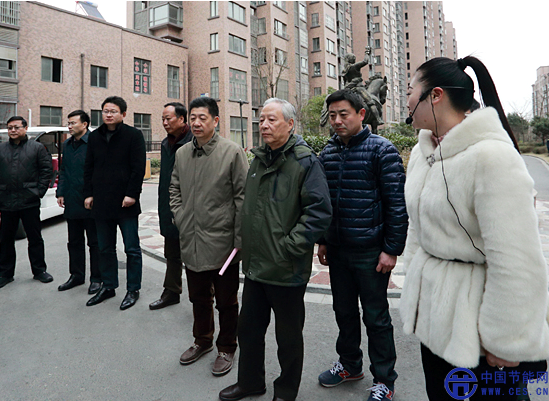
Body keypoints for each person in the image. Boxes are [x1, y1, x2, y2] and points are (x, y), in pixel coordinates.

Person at [401, 56, 549, 400]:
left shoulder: (492, 157)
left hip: (481, 331)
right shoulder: (423, 153)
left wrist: (505, 339)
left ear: (435, 95)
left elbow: (516, 258)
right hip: (435, 323)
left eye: (410, 90)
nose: (406, 99)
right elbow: (418, 229)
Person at [219, 98, 332, 401]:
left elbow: (319, 211)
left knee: (288, 338)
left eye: (272, 120)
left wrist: (289, 247)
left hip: (286, 268)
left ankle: (285, 391)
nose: (264, 125)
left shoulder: (305, 162)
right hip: (256, 266)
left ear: (290, 124)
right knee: (249, 331)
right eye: (262, 120)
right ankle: (250, 382)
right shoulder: (259, 159)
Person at [316, 89, 408, 401]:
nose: (337, 121)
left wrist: (391, 249)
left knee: (376, 317)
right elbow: (323, 202)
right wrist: (323, 240)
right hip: (338, 250)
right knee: (343, 312)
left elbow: (397, 204)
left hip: (371, 251)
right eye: (332, 115)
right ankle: (350, 364)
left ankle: (384, 379)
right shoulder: (328, 153)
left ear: (361, 114)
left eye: (344, 114)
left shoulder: (382, 150)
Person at [170, 96, 248, 376]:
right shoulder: (182, 153)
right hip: (191, 239)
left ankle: (227, 347)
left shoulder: (232, 152)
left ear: (215, 120)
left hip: (223, 242)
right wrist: (180, 216)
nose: (196, 122)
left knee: (227, 300)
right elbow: (174, 189)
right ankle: (202, 340)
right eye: (192, 118)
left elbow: (243, 198)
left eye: (202, 118)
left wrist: (239, 240)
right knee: (198, 297)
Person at [83, 96, 146, 310]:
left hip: (125, 203)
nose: (108, 115)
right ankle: (108, 286)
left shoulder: (133, 135)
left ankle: (133, 289)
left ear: (123, 114)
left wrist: (132, 194)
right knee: (105, 248)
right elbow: (88, 167)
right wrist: (88, 194)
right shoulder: (94, 137)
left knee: (132, 249)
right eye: (105, 111)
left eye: (113, 111)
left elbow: (138, 168)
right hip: (101, 202)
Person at [0, 116, 54, 289]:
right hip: (6, 201)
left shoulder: (37, 148)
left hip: (29, 200)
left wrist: (38, 192)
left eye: (16, 127)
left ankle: (39, 271)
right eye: (10, 128)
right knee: (6, 239)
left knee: (35, 238)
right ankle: (5, 274)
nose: (13, 130)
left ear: (25, 128)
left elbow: (46, 171)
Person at [149, 102, 193, 310]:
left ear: (182, 119)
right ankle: (171, 292)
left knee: (194, 256)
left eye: (169, 118)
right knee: (172, 254)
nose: (165, 123)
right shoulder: (166, 143)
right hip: (168, 206)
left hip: (189, 208)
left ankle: (202, 297)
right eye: (163, 119)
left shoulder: (193, 142)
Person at [56, 110, 101, 295]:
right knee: (74, 241)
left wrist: (93, 194)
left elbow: (99, 172)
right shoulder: (67, 145)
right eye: (68, 123)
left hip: (91, 201)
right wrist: (60, 192)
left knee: (94, 242)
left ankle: (97, 278)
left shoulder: (95, 143)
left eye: (73, 123)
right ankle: (76, 275)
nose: (69, 126)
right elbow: (64, 170)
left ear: (85, 124)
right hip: (72, 199)